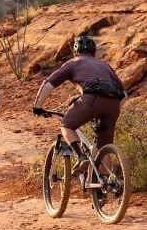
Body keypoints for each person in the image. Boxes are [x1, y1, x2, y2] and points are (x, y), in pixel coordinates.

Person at [31, 31, 126, 159]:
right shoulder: (105, 65)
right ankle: (106, 178)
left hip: (92, 99)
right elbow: (124, 94)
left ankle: (81, 156)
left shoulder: (73, 63)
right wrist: (108, 108)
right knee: (103, 148)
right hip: (114, 104)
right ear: (94, 52)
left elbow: (48, 84)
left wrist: (37, 106)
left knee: (66, 125)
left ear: (76, 52)